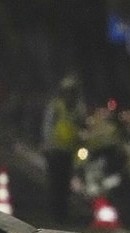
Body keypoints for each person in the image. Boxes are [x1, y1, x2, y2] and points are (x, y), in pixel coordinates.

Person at [41, 75, 86, 223]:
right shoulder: (55, 107)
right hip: (55, 151)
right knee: (55, 183)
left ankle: (63, 211)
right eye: (67, 92)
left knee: (65, 183)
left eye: (72, 92)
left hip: (69, 152)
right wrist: (47, 147)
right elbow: (47, 128)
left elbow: (82, 128)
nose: (70, 95)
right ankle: (55, 212)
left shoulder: (78, 110)